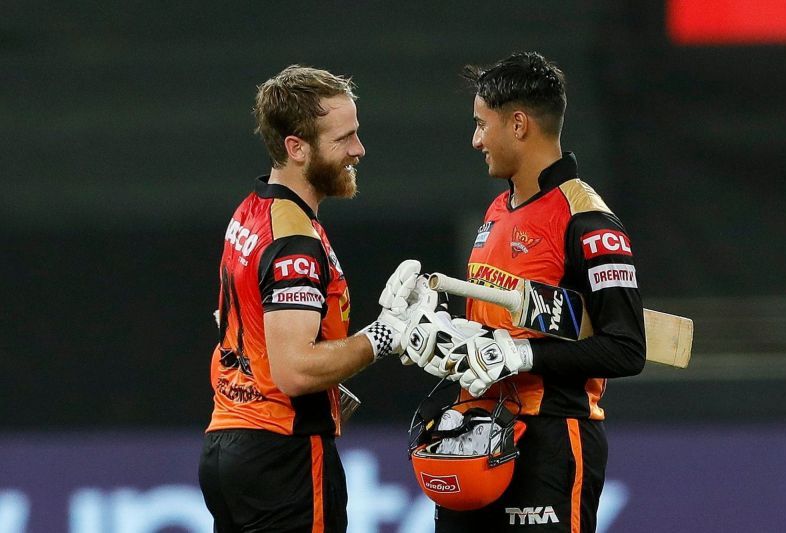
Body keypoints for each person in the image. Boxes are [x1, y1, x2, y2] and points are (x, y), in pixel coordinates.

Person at [403, 52, 646, 532]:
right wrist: (440, 334)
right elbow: (495, 330)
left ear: (518, 125)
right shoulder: (498, 208)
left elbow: (626, 349)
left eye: (481, 124)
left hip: (551, 439)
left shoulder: (587, 220)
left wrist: (524, 356)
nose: (475, 140)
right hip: (479, 435)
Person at [197, 65, 423, 533]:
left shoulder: (252, 210)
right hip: (284, 456)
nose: (358, 150)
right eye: (343, 139)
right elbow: (294, 370)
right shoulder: (295, 242)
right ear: (296, 148)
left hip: (229, 446)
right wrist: (387, 334)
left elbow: (232, 317)